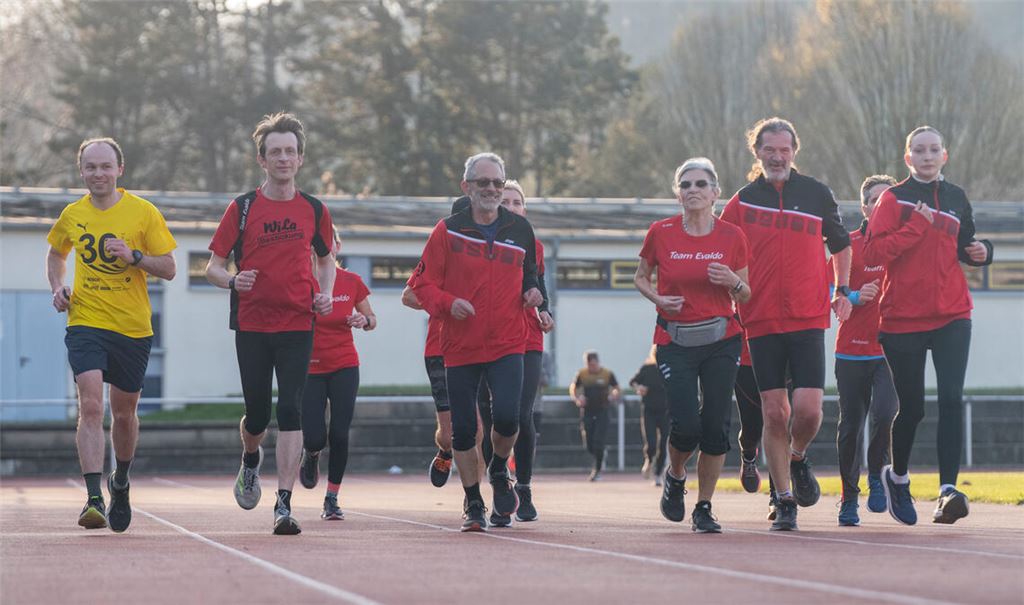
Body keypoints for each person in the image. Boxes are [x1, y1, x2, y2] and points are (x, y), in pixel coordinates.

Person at [206, 113, 335, 535]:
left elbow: (326, 258)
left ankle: (284, 503)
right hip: (253, 323)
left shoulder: (314, 210)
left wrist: (325, 293)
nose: (283, 158)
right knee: (258, 416)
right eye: (275, 152)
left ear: (300, 159)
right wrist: (232, 280)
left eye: (290, 151)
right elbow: (211, 266)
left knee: (291, 407)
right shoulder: (242, 208)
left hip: (298, 322)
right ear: (262, 160)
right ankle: (249, 458)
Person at [720, 117, 852, 531]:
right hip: (759, 319)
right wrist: (733, 292)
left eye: (784, 149)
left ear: (795, 150)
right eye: (769, 149)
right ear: (756, 152)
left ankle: (797, 457)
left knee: (809, 412)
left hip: (807, 314)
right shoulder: (742, 201)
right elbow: (723, 250)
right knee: (775, 412)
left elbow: (841, 244)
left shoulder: (815, 193)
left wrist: (841, 289)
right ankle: (784, 498)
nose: (777, 156)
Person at [46, 137, 177, 532]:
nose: (98, 174)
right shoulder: (72, 214)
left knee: (124, 413)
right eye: (91, 167)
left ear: (120, 170)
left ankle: (119, 481)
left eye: (106, 167)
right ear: (81, 171)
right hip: (85, 322)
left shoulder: (142, 212)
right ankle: (93, 499)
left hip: (132, 328)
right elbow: (56, 254)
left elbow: (170, 267)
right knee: (90, 407)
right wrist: (57, 286)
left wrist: (134, 257)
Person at [863, 126, 993, 526]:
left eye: (934, 149)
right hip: (902, 317)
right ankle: (897, 477)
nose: (927, 155)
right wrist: (914, 227)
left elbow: (965, 246)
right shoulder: (893, 198)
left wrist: (983, 253)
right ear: (908, 158)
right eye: (919, 150)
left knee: (952, 399)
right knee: (914, 408)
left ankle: (948, 490)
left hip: (953, 313)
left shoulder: (955, 197)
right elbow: (873, 251)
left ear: (944, 155)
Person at [410, 152, 543, 532]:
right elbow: (421, 285)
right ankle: (472, 501)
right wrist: (449, 303)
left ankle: (499, 468)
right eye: (482, 183)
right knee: (464, 431)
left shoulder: (520, 230)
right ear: (466, 186)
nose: (491, 189)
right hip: (460, 346)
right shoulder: (446, 230)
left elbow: (529, 275)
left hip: (507, 342)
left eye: (497, 183)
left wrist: (534, 293)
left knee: (509, 418)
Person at [635, 157, 750, 533]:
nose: (693, 191)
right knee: (685, 427)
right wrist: (657, 298)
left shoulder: (732, 236)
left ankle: (704, 506)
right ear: (677, 193)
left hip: (722, 339)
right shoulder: (661, 232)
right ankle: (676, 473)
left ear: (716, 193)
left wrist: (732, 281)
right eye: (686, 185)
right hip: (675, 339)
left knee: (715, 425)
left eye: (701, 184)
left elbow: (746, 293)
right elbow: (640, 277)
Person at [478, 180, 554, 526]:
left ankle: (522, 486)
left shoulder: (533, 245)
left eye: (517, 202)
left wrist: (544, 309)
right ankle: (498, 486)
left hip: (526, 339)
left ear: (524, 210)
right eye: (505, 200)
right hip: (483, 338)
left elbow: (538, 285)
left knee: (520, 417)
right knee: (491, 419)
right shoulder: (472, 240)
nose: (510, 206)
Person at [402, 197, 486, 489]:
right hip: (440, 349)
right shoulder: (440, 254)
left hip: (483, 347)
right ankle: (446, 450)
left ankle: (477, 495)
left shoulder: (493, 254)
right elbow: (409, 295)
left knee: (478, 428)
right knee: (450, 432)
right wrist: (445, 304)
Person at [831, 175, 900, 527]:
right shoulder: (847, 244)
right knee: (850, 426)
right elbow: (831, 293)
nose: (881, 205)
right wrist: (855, 297)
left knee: (886, 414)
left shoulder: (904, 244)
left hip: (890, 350)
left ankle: (876, 476)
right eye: (875, 200)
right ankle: (848, 497)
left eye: (888, 199)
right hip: (852, 351)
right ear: (864, 207)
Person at [298, 230, 377, 520]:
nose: (322, 245)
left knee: (340, 433)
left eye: (329, 240)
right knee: (316, 436)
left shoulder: (352, 281)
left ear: (337, 246)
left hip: (344, 365)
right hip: (309, 369)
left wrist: (362, 319)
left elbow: (372, 319)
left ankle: (332, 497)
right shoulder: (299, 282)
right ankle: (312, 454)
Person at [570, 351, 621, 481]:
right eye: (588, 364)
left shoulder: (607, 374)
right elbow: (573, 388)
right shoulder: (582, 374)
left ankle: (597, 471)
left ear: (598, 362)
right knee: (589, 443)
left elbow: (617, 388)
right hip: (587, 411)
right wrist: (578, 398)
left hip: (603, 410)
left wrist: (613, 395)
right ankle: (601, 455)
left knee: (599, 441)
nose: (591, 367)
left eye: (593, 364)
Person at [629, 345, 669, 487]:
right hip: (649, 411)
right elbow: (632, 381)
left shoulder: (670, 369)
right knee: (651, 442)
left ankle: (658, 474)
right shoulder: (647, 369)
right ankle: (649, 459)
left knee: (664, 444)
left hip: (666, 411)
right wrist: (639, 388)